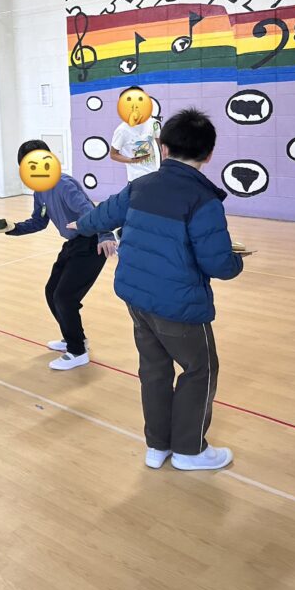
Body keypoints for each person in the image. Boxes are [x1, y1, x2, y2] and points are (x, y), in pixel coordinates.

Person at [69, 109, 243, 471]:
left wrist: (79, 224)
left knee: (154, 369)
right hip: (178, 305)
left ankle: (157, 445)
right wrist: (236, 261)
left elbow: (102, 216)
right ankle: (189, 451)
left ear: (163, 148)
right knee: (200, 368)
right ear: (209, 154)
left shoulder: (141, 186)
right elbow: (218, 265)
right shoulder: (203, 200)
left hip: (137, 299)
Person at [6, 140, 116, 370]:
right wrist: (13, 228)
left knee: (65, 297)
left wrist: (105, 235)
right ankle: (73, 337)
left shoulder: (63, 184)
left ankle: (77, 352)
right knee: (52, 291)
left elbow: (89, 211)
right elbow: (39, 221)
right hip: (74, 244)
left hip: (90, 244)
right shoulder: (40, 190)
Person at [110, 87, 161, 182]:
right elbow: (113, 154)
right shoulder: (122, 130)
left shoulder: (153, 123)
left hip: (154, 176)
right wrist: (132, 160)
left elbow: (161, 144)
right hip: (135, 179)